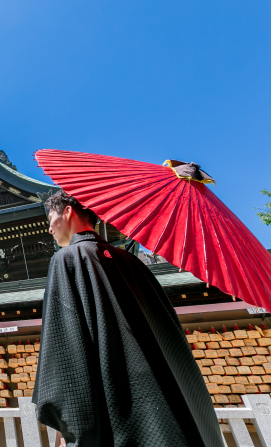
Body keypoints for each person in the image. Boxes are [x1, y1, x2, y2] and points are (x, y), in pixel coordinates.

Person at [32, 191, 224, 447]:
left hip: (118, 410)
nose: (48, 228)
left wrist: (64, 424)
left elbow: (67, 349)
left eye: (50, 217)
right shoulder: (132, 261)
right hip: (168, 404)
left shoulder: (67, 259)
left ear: (67, 212)